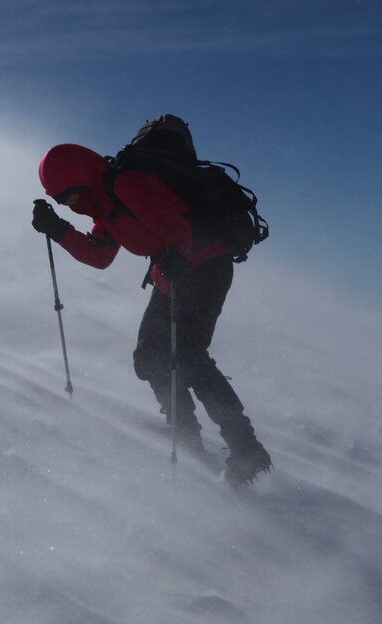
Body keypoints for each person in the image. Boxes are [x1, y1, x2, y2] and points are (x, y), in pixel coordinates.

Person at [31, 141, 272, 487]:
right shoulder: (105, 207)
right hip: (173, 274)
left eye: (71, 198)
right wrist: (58, 230)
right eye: (63, 203)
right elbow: (100, 257)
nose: (73, 207)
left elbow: (175, 224)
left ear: (84, 179)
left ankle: (246, 449)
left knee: (188, 355)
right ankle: (185, 433)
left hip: (203, 268)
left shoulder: (127, 184)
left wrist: (175, 252)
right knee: (148, 357)